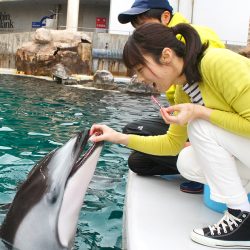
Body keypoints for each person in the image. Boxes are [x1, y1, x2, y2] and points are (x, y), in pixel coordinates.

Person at [89, 23, 250, 248]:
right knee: (186, 162)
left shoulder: (217, 63)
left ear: (166, 55)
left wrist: (200, 112)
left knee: (200, 127)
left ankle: (242, 218)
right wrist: (117, 137)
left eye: (140, 69)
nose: (140, 78)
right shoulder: (186, 89)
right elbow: (173, 144)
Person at [117, 0, 225, 194]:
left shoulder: (201, 48)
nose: (140, 34)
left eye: (144, 25)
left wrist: (198, 125)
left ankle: (203, 169)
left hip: (215, 127)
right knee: (138, 162)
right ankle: (196, 162)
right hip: (191, 120)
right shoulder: (179, 81)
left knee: (194, 131)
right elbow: (182, 106)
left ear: (165, 17)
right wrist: (116, 137)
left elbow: (221, 97)